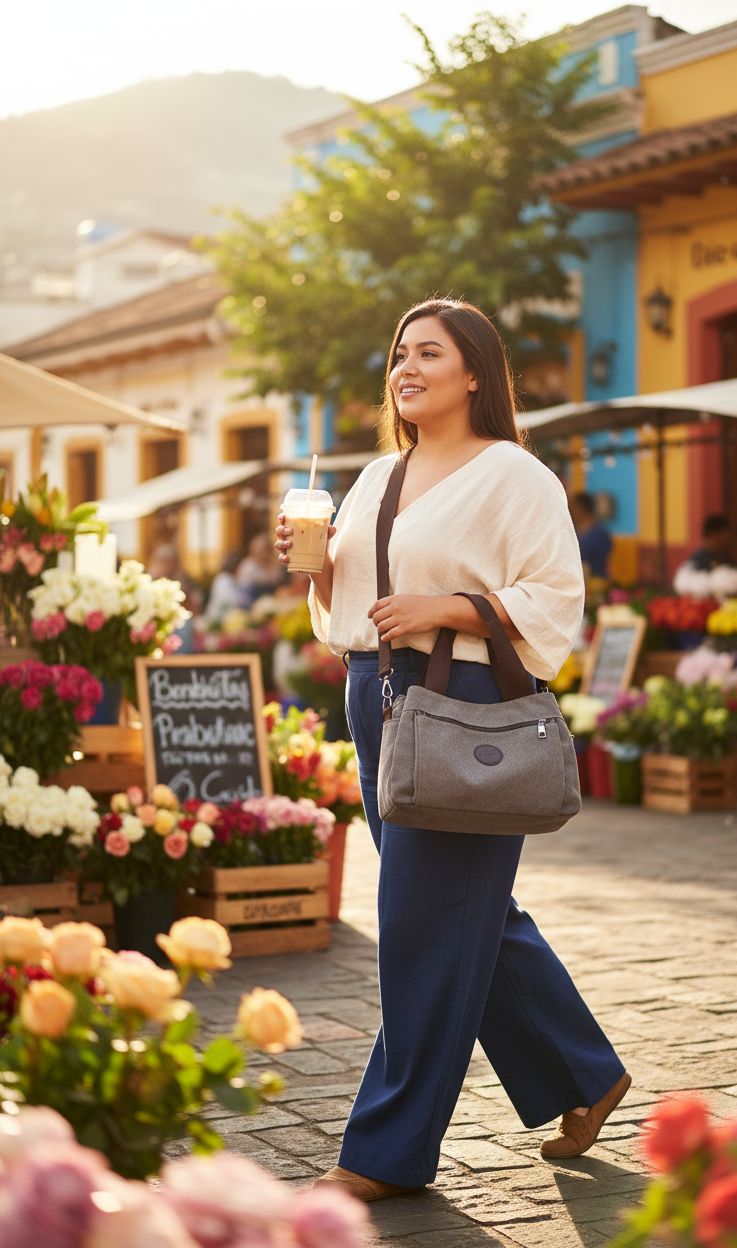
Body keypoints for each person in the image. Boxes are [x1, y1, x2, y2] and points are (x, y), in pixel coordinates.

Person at [274, 299, 629, 1202]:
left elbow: (554, 598)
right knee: (466, 910)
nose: (407, 366)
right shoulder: (374, 477)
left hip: (460, 702)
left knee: (424, 923)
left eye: (429, 352)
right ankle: (583, 1073)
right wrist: (316, 568)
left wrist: (450, 609)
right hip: (376, 698)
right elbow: (348, 604)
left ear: (475, 372)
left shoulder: (514, 476)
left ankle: (385, 1153)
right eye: (399, 353)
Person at [237, 532, 288, 605]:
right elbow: (244, 592)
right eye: (262, 550)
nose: (265, 554)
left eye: (267, 549)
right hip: (251, 603)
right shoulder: (248, 566)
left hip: (273, 604)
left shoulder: (275, 567)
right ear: (254, 550)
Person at [571, 492, 612, 579]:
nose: (570, 511)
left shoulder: (599, 534)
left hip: (595, 581)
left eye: (572, 507)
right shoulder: (573, 532)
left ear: (581, 508)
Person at [203, 551, 248, 624]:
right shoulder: (223, 579)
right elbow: (231, 600)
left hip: (228, 620)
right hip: (216, 621)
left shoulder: (234, 580)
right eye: (241, 567)